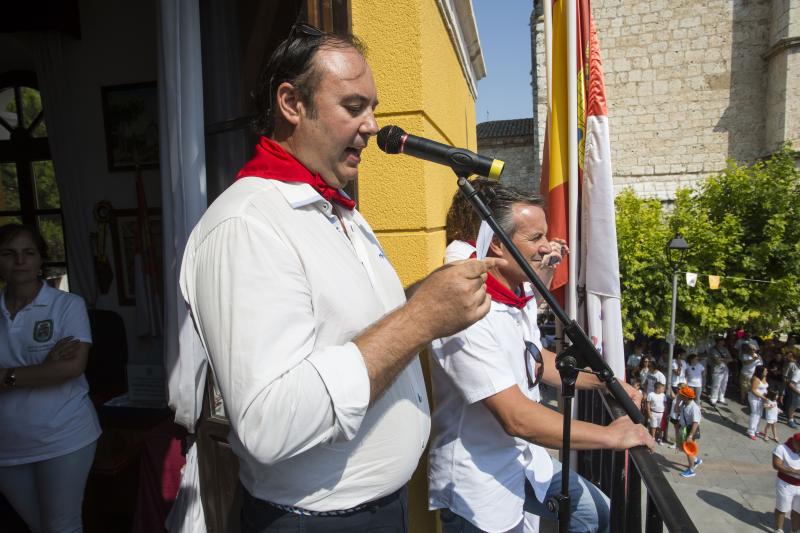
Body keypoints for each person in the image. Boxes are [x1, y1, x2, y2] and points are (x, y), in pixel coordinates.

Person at [179, 24, 500, 532]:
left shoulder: (338, 210)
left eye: (372, 108)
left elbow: (349, 330)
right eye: (354, 107)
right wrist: (419, 318)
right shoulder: (246, 223)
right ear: (291, 103)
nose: (372, 126)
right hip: (316, 521)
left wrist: (429, 298)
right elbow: (269, 421)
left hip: (381, 509)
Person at [428, 183, 653, 533]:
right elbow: (516, 418)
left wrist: (604, 383)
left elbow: (533, 358)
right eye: (536, 238)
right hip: (478, 487)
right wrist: (611, 436)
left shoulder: (515, 291)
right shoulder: (466, 311)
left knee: (599, 514)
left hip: (522, 462)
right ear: (498, 244)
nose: (548, 247)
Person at [0, 223, 98, 532]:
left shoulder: (67, 305)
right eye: (9, 253)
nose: (19, 261)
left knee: (61, 526)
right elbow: (53, 370)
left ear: (41, 259)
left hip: (63, 436)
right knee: (37, 526)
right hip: (7, 446)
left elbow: (70, 368)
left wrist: (6, 376)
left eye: (28, 253)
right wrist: (43, 368)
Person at [772, 433, 800, 533]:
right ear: (795, 441)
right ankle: (779, 529)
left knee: (798, 511)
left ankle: (795, 531)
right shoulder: (781, 448)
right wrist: (794, 471)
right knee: (782, 508)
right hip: (785, 484)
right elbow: (776, 465)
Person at [676, 386, 702, 478]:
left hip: (691, 430)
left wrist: (690, 436)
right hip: (684, 429)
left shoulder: (694, 408)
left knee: (689, 451)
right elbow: (676, 411)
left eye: (681, 395)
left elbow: (696, 423)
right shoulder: (684, 403)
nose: (680, 396)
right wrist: (677, 402)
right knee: (681, 447)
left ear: (687, 397)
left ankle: (691, 470)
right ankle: (696, 460)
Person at [747, 365, 771, 440]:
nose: (767, 372)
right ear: (761, 371)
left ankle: (756, 430)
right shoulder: (756, 379)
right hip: (755, 398)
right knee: (755, 414)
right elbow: (753, 390)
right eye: (765, 371)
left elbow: (764, 387)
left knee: (759, 414)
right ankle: (751, 431)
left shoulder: (764, 378)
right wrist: (764, 397)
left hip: (761, 398)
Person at [708, 335, 732, 405]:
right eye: (721, 341)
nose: (722, 343)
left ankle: (721, 398)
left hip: (725, 368)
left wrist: (722, 359)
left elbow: (730, 359)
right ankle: (713, 399)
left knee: (724, 384)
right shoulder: (713, 349)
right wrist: (725, 359)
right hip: (716, 369)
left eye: (723, 341)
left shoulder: (725, 349)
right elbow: (717, 360)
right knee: (716, 384)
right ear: (717, 342)